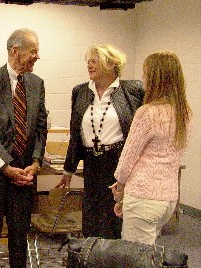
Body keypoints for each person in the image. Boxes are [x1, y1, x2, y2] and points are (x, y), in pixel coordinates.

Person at [0, 28, 48, 267]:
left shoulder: (37, 83)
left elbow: (40, 129)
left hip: (24, 178)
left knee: (19, 244)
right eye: (33, 51)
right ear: (15, 51)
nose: (37, 56)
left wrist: (35, 163)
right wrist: (7, 168)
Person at [56, 44, 144, 239]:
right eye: (88, 61)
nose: (89, 65)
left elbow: (142, 131)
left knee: (116, 218)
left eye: (94, 61)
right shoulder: (80, 91)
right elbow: (75, 134)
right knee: (92, 217)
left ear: (111, 64)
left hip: (120, 162)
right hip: (92, 162)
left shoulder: (133, 90)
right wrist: (68, 170)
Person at [111, 51, 192, 245]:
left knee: (135, 257)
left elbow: (128, 157)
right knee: (149, 254)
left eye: (145, 73)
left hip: (143, 196)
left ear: (155, 78)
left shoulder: (147, 113)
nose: (142, 78)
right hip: (168, 199)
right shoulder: (184, 112)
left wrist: (120, 190)